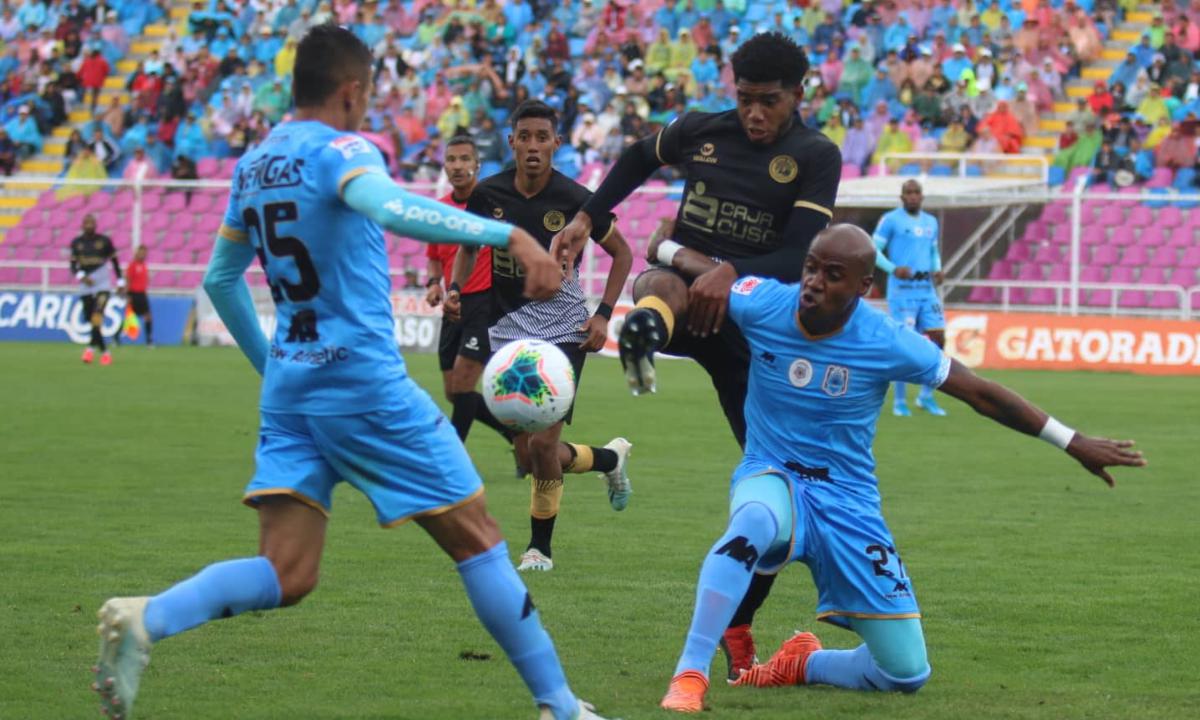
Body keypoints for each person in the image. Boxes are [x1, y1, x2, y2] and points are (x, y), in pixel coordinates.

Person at [92, 25, 610, 720]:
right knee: (481, 538)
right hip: (364, 387)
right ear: (351, 91)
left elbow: (219, 281)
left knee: (287, 572)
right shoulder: (345, 149)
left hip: (291, 395)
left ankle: (146, 618)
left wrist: (273, 367)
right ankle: (561, 707)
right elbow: (385, 206)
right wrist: (508, 233)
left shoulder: (254, 164)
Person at [659, 225, 1146, 713]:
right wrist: (664, 249)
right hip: (773, 474)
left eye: (833, 275)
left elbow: (980, 392)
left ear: (864, 286)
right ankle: (690, 674)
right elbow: (705, 276)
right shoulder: (764, 302)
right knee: (754, 522)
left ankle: (802, 664)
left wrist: (1072, 441)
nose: (813, 282)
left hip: (848, 501)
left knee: (905, 672)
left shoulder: (887, 340)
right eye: (810, 267)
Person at [551, 31, 841, 676]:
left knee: (783, 494)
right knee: (660, 283)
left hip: (755, 333)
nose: (754, 114)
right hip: (686, 298)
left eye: (768, 102)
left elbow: (798, 255)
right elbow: (636, 156)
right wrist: (587, 216)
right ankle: (644, 334)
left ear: (798, 95)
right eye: (745, 99)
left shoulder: (815, 155)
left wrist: (730, 272)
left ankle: (739, 621)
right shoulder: (701, 130)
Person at [449, 99, 635, 573]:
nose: (533, 146)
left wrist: (603, 315)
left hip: (564, 330)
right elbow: (468, 248)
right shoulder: (487, 194)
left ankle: (539, 550)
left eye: (542, 137)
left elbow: (623, 254)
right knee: (532, 452)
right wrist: (454, 289)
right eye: (525, 137)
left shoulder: (577, 199)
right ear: (511, 142)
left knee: (542, 447)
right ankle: (607, 460)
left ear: (556, 143)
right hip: (507, 332)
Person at [423, 135, 515, 447]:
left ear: (477, 164)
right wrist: (434, 283)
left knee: (463, 385)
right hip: (453, 304)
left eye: (465, 159)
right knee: (453, 392)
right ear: (444, 166)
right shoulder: (438, 210)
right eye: (451, 160)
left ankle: (451, 456)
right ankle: (515, 433)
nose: (458, 166)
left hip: (486, 304)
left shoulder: (493, 204)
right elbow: (434, 256)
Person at [873, 180, 947, 417]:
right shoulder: (890, 220)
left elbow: (933, 251)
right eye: (908, 193)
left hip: (926, 290)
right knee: (904, 344)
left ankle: (925, 396)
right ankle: (900, 401)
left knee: (939, 338)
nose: (913, 196)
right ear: (902, 197)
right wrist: (893, 269)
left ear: (922, 197)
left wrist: (937, 269)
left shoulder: (931, 221)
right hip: (902, 292)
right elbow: (873, 250)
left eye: (916, 193)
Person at [70, 213, 123, 366]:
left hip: (102, 284)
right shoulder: (77, 243)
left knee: (97, 315)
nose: (89, 225)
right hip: (86, 285)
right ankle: (103, 351)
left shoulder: (104, 241)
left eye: (91, 223)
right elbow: (73, 265)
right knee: (90, 319)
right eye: (87, 223)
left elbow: (115, 262)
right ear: (82, 225)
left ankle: (91, 351)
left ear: (96, 224)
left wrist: (120, 281)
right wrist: (82, 276)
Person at [124, 244, 152, 346]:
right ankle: (116, 337)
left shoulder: (144, 265)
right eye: (141, 253)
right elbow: (128, 280)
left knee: (148, 316)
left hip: (142, 294)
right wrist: (128, 295)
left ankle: (149, 340)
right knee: (129, 318)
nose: (143, 255)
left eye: (144, 253)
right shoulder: (132, 265)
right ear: (136, 253)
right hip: (133, 294)